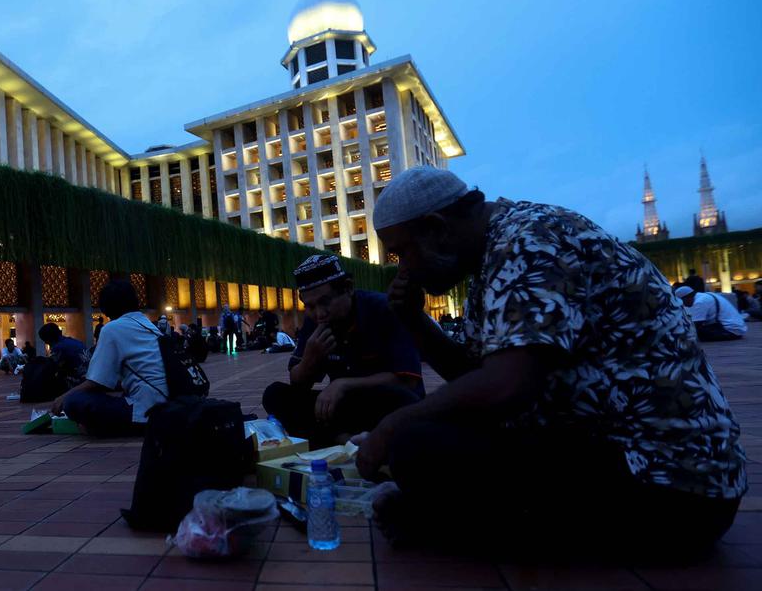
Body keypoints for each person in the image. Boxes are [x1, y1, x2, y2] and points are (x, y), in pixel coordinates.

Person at [352, 166, 745, 557]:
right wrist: (413, 320)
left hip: (671, 487)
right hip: (600, 451)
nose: (402, 268)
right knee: (402, 410)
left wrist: (392, 428)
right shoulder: (491, 258)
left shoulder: (531, 239)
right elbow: (475, 380)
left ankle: (455, 521)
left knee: (413, 442)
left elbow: (508, 388)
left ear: (436, 228)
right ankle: (456, 515)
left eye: (403, 251)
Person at [262, 255, 424, 448]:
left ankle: (334, 439)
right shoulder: (314, 321)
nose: (320, 313)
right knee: (275, 395)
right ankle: (343, 440)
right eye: (310, 306)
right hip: (344, 407)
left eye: (325, 302)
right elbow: (298, 384)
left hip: (384, 403)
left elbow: (407, 380)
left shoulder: (384, 309)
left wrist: (343, 384)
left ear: (348, 288)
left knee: (404, 401)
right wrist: (309, 360)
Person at [50, 280, 167, 437]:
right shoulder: (148, 325)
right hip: (167, 403)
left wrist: (64, 397)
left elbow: (97, 382)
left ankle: (106, 427)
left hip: (147, 411)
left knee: (74, 401)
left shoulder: (112, 329)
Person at [676, 286, 747, 341]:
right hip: (736, 328)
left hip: (730, 330)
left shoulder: (700, 302)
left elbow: (695, 326)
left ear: (686, 298)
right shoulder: (704, 296)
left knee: (696, 333)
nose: (683, 305)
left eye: (682, 302)